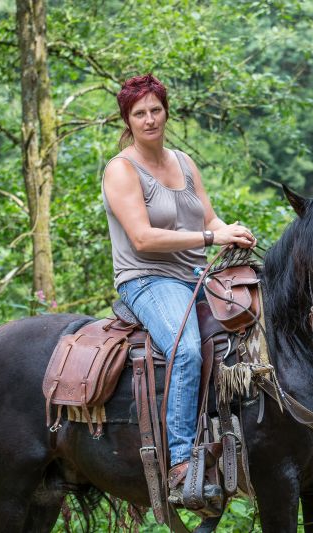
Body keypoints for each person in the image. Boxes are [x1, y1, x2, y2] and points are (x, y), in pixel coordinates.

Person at [101, 74, 256, 506]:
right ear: (127, 120)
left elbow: (208, 218)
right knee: (185, 348)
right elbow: (143, 239)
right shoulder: (121, 169)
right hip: (147, 280)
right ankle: (181, 463)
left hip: (195, 279)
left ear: (166, 112)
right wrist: (210, 241)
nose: (149, 119)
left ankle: (244, 440)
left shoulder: (184, 162)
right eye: (139, 113)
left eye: (155, 110)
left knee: (254, 321)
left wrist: (232, 232)